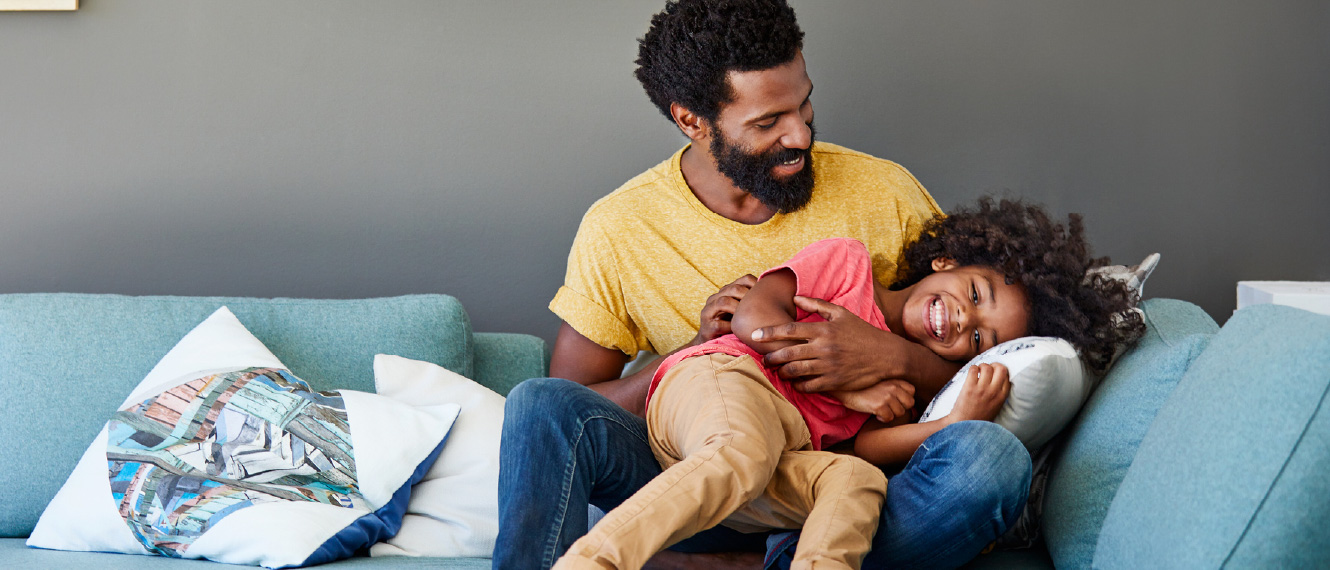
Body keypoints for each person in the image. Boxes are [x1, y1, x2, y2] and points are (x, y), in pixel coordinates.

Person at [497, 1, 1032, 568]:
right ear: (691, 121)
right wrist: (695, 353)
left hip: (829, 485)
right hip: (690, 481)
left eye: (804, 104)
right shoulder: (620, 228)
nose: (800, 134)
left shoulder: (884, 193)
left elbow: (970, 341)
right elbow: (579, 405)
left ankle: (758, 562)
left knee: (990, 462)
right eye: (767, 122)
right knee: (539, 404)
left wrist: (886, 356)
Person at [551, 200, 1144, 569]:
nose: (965, 321)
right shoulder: (848, 266)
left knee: (856, 485)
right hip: (723, 379)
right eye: (974, 296)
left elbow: (860, 450)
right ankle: (595, 562)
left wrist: (950, 424)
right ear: (949, 261)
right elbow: (754, 322)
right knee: (738, 451)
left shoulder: (905, 384)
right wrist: (849, 389)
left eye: (981, 342)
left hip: (786, 453)